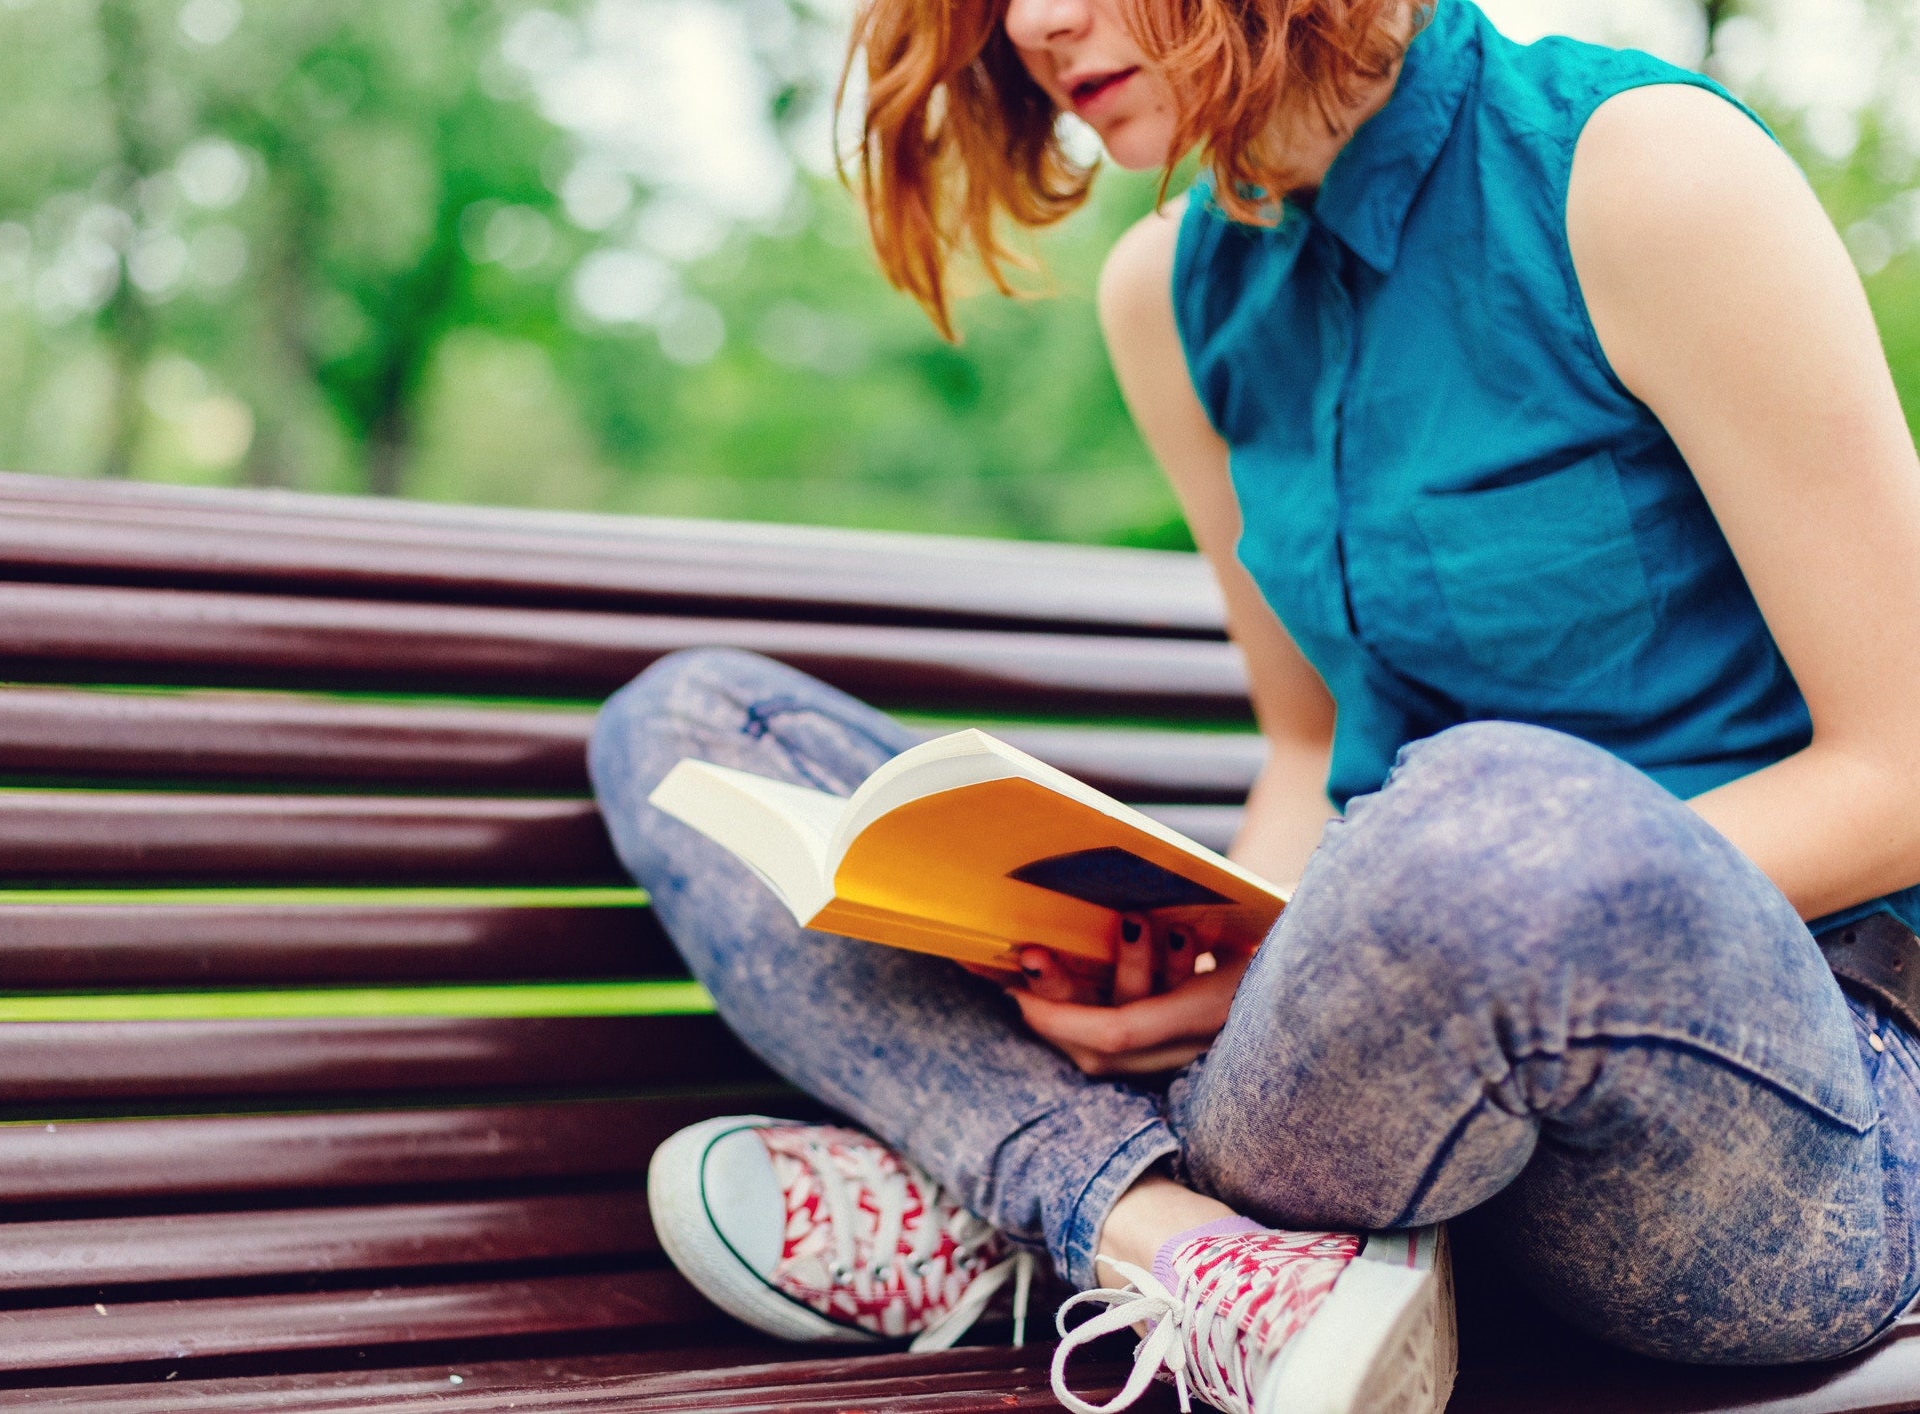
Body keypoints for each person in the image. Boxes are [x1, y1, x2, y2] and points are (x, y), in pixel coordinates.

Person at [588, 0, 1920, 1409]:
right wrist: (1213, 952)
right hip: (1372, 1079)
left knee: (1489, 816)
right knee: (687, 728)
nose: (1037, 20)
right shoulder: (1166, 292)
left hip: (1785, 1104)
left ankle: (1034, 1215)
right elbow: (1306, 752)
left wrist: (1347, 950)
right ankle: (1162, 1237)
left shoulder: (1640, 172)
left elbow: (1903, 767)